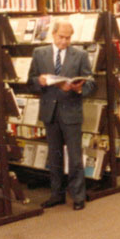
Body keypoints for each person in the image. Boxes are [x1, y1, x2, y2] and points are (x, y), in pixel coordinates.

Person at [27, 20, 95, 210]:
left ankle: (78, 196)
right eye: (61, 37)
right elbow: (30, 82)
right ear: (53, 34)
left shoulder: (80, 55)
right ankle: (56, 194)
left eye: (68, 38)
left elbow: (91, 83)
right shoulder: (39, 53)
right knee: (54, 155)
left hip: (71, 111)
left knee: (75, 157)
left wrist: (79, 89)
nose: (64, 41)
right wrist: (39, 81)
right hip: (50, 111)